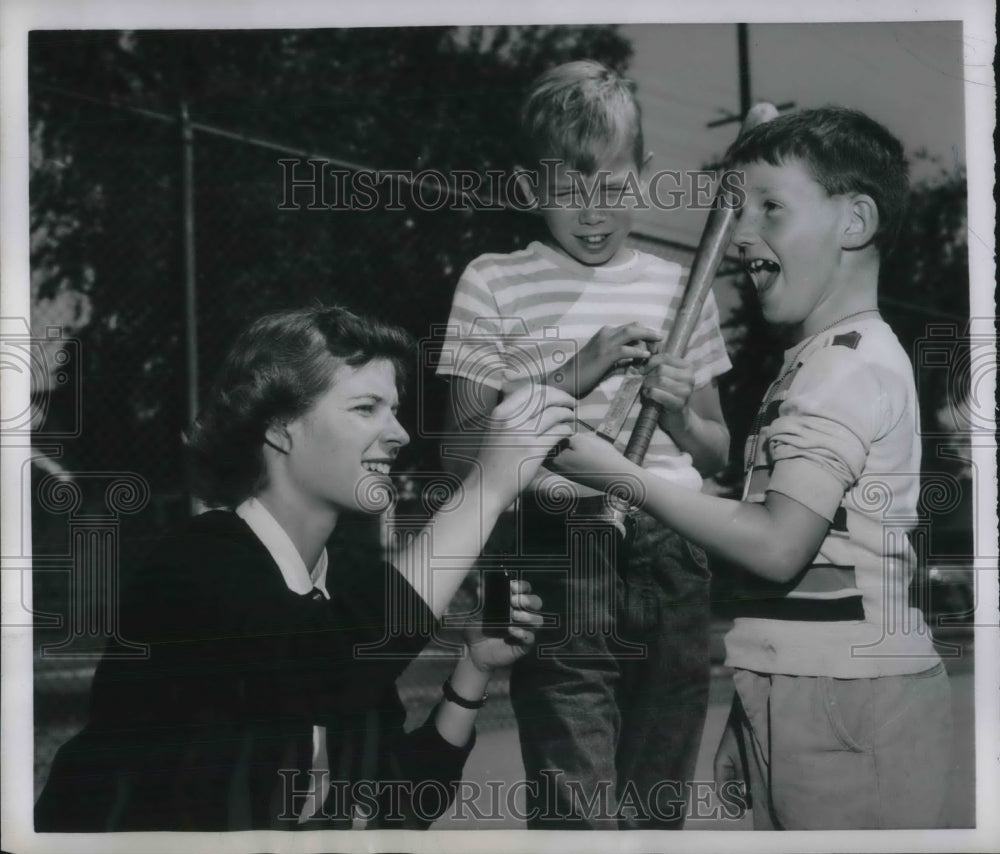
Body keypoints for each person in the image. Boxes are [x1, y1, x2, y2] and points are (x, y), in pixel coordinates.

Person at [549, 106, 952, 830]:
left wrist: (622, 476)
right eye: (738, 207)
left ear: (854, 222)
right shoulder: (818, 361)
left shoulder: (845, 368)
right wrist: (756, 713)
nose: (738, 232)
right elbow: (782, 503)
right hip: (812, 689)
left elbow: (774, 545)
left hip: (847, 700)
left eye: (769, 206)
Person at [34, 305, 575, 831]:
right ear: (281, 428)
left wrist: (472, 671)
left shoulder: (332, 593)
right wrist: (486, 487)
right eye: (367, 408)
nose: (400, 434)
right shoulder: (196, 567)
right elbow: (324, 669)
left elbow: (399, 800)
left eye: (395, 409)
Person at [436, 60, 732, 828]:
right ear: (531, 188)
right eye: (567, 193)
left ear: (643, 176)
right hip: (557, 550)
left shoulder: (681, 287)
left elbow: (716, 453)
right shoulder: (493, 281)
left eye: (610, 187)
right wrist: (572, 374)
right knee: (579, 812)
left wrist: (677, 418)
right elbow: (461, 455)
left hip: (672, 548)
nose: (593, 213)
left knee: (654, 806)